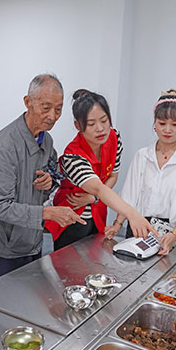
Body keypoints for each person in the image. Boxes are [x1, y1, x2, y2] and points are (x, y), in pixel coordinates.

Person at [0, 74, 85, 279]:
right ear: (28, 102)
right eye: (46, 108)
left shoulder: (47, 140)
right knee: (4, 303)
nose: (53, 116)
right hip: (6, 243)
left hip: (32, 238)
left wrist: (50, 179)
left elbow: (54, 171)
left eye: (58, 109)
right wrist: (47, 213)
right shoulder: (4, 146)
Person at [46, 89, 155, 250]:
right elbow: (98, 187)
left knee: (94, 258)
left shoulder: (114, 137)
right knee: (68, 265)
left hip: (98, 214)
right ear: (78, 126)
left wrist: (94, 198)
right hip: (72, 217)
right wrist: (132, 215)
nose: (100, 129)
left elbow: (113, 175)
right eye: (91, 124)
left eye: (104, 120)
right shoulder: (73, 157)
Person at [105, 90, 176, 254]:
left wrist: (174, 234)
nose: (167, 130)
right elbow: (129, 195)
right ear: (154, 123)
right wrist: (117, 225)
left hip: (170, 230)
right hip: (138, 225)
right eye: (162, 123)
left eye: (174, 125)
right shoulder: (142, 155)